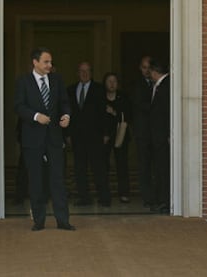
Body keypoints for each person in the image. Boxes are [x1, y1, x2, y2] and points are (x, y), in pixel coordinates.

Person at [14, 47, 75, 231]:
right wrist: (35, 116)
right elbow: (18, 106)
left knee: (58, 179)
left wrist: (66, 116)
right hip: (32, 139)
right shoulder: (23, 81)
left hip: (54, 138)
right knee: (36, 180)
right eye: (46, 62)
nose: (50, 65)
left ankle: (63, 221)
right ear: (35, 62)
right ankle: (38, 221)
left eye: (50, 62)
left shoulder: (57, 80)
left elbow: (65, 103)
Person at [65, 62, 111, 207]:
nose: (84, 73)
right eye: (81, 71)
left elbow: (103, 113)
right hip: (77, 137)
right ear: (77, 73)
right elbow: (68, 114)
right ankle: (84, 197)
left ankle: (104, 197)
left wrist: (106, 133)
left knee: (99, 168)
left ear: (91, 73)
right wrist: (67, 134)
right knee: (80, 168)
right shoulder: (70, 90)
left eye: (87, 71)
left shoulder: (99, 89)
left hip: (95, 136)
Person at [103, 72, 131, 203]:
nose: (112, 84)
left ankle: (124, 193)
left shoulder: (123, 97)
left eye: (114, 81)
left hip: (121, 135)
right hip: (105, 137)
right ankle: (104, 194)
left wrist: (113, 112)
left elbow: (127, 116)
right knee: (103, 166)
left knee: (122, 165)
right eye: (109, 81)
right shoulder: (101, 98)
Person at [130, 56, 154, 208]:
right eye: (145, 67)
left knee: (157, 166)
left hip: (156, 132)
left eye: (149, 67)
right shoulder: (136, 84)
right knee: (144, 166)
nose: (147, 70)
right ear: (140, 68)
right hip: (143, 132)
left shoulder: (157, 83)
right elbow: (138, 104)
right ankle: (147, 197)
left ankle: (158, 195)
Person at [149, 58, 170, 214]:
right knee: (159, 169)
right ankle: (161, 199)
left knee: (163, 170)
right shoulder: (161, 86)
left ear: (154, 72)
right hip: (159, 138)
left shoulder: (166, 86)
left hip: (163, 138)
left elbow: (166, 113)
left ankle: (165, 201)